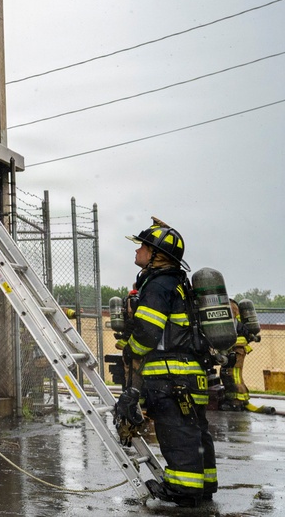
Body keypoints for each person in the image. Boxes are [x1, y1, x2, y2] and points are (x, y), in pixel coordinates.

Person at [113, 217, 216, 507]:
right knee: (195, 431)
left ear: (157, 255)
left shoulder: (158, 286)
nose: (137, 252)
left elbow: (147, 333)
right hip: (190, 373)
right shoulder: (177, 282)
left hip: (171, 377)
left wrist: (130, 349)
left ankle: (183, 490)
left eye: (143, 247)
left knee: (176, 432)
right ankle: (203, 486)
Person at [219, 299, 277, 414]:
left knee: (233, 374)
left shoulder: (230, 306)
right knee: (230, 373)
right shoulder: (233, 306)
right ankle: (237, 400)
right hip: (236, 346)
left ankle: (236, 402)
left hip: (236, 346)